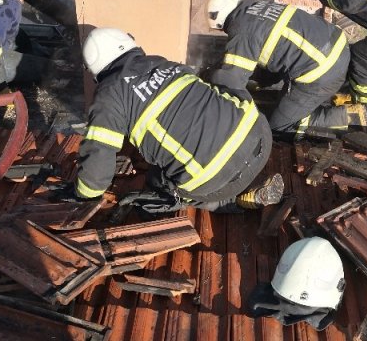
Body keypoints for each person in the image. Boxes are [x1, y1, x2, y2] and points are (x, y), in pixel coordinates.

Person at [73, 27, 284, 212]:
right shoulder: (161, 63)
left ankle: (230, 203)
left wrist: (84, 195)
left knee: (157, 181)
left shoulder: (108, 96)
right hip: (261, 137)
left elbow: (96, 173)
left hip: (218, 180)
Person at [206, 0, 356, 137]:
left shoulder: (242, 29)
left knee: (279, 126)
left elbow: (230, 81)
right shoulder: (261, 7)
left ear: (221, 22)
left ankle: (346, 117)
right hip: (337, 47)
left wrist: (210, 81)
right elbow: (278, 50)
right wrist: (260, 80)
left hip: (323, 71)